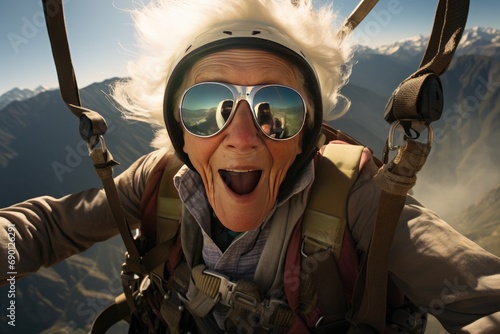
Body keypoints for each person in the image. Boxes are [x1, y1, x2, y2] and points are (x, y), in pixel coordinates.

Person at [1, 0, 500, 333]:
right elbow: (45, 227)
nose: (241, 137)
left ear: (308, 129)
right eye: (208, 107)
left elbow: (483, 300)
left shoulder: (358, 195)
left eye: (275, 108)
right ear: (179, 126)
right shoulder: (157, 180)